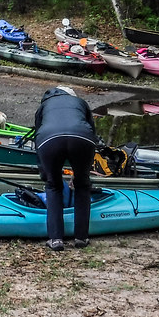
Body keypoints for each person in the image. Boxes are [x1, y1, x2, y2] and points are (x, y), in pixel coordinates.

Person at [34, 86, 97, 251]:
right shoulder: (80, 102)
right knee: (82, 185)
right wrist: (81, 172)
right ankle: (81, 238)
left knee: (54, 186)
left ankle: (55, 239)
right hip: (82, 138)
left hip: (49, 139)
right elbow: (92, 130)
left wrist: (45, 174)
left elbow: (37, 135)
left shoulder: (44, 106)